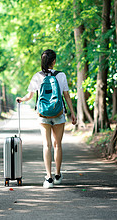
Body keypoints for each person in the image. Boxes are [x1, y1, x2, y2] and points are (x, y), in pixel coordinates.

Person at [16, 49, 77, 188]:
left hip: (43, 115)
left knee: (47, 145)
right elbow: (66, 96)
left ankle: (48, 178)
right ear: (54, 61)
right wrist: (73, 113)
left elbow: (30, 96)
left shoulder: (37, 76)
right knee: (58, 145)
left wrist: (21, 99)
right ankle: (57, 175)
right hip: (58, 114)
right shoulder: (61, 75)